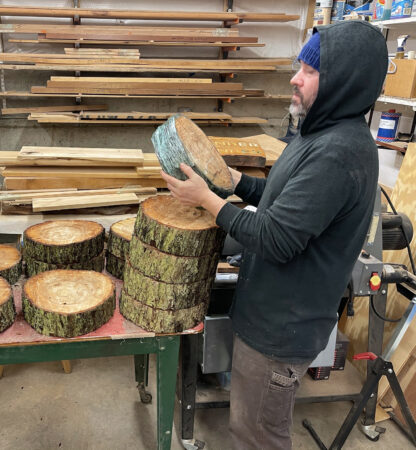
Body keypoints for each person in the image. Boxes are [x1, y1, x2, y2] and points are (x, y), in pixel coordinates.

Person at [161, 21, 388, 449]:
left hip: (281, 333)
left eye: (310, 70)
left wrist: (208, 200)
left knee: (258, 436)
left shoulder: (338, 153)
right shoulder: (319, 132)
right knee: (251, 429)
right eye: (299, 65)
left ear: (342, 82)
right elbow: (283, 199)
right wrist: (234, 181)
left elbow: (273, 237)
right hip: (271, 319)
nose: (294, 78)